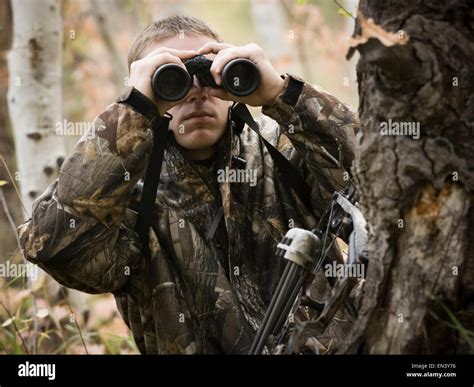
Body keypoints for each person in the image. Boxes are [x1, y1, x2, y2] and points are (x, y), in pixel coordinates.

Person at [18, 15, 356, 354]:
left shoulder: (285, 154)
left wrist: (283, 94)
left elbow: (378, 182)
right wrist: (132, 112)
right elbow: (54, 246)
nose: (196, 93)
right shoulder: (128, 199)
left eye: (208, 73)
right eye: (172, 80)